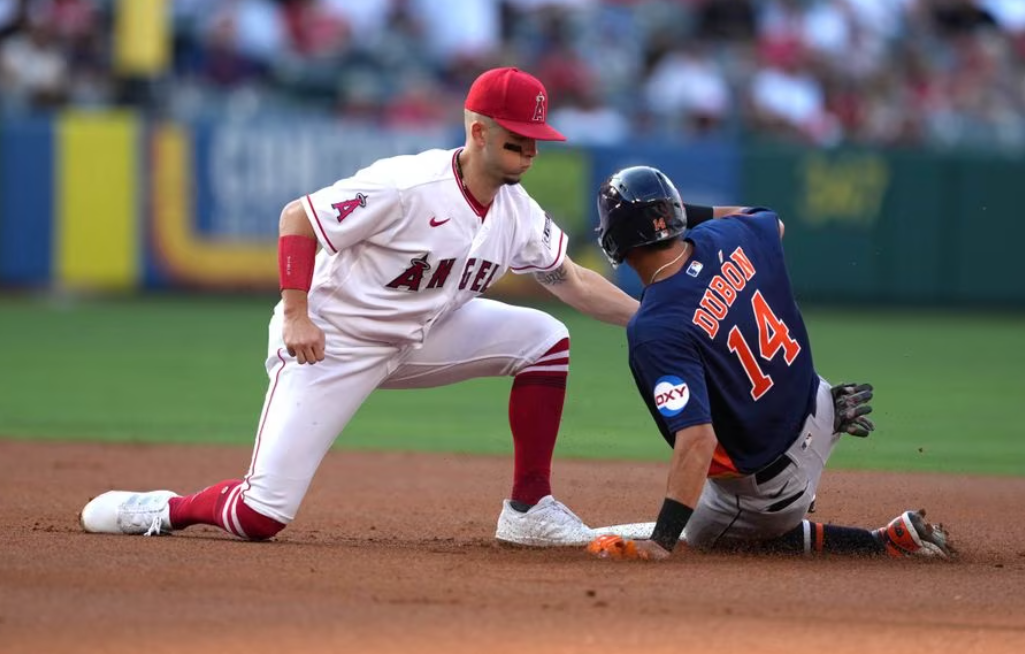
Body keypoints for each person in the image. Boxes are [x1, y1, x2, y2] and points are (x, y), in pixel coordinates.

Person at [80, 67, 642, 547]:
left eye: (535, 142)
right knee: (261, 516)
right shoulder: (406, 185)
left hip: (423, 336)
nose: (530, 154)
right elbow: (297, 218)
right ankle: (163, 509)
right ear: (477, 131)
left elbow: (569, 279)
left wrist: (648, 321)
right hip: (332, 344)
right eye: (518, 141)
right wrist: (296, 313)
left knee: (545, 339)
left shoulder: (517, 211)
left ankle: (529, 509)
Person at [586, 165, 953, 560]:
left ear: (615, 240)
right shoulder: (729, 234)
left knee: (704, 535)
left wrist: (661, 542)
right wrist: (672, 213)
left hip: (774, 485)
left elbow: (697, 441)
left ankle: (880, 544)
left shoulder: (654, 327)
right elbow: (771, 222)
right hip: (823, 405)